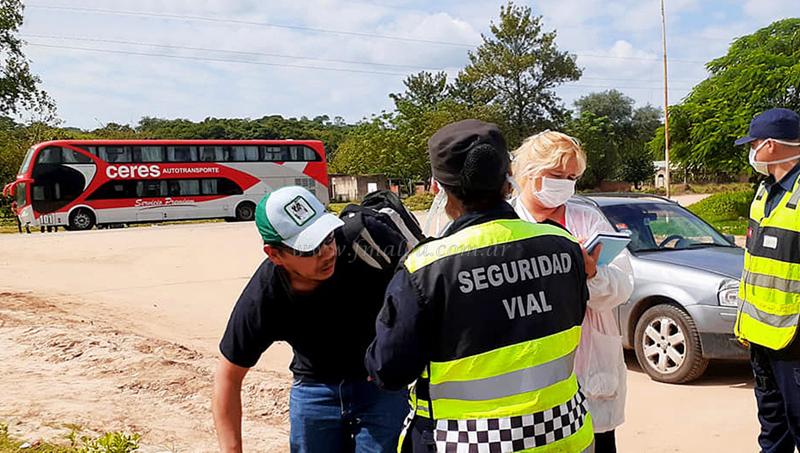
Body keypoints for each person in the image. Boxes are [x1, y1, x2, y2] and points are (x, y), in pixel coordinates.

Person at [366, 119, 595, 452]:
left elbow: (389, 370)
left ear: (436, 187)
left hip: (469, 442)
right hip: (566, 435)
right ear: (508, 181)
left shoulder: (425, 267)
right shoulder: (564, 246)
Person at [212, 186, 409, 453]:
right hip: (314, 390)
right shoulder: (266, 295)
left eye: (327, 239)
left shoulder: (363, 242)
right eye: (308, 249)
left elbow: (424, 296)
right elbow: (228, 377)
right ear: (274, 254)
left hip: (380, 385)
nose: (327, 253)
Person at [510, 131, 634, 453]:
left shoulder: (587, 219)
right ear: (529, 173)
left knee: (598, 442)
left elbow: (622, 286)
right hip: (531, 371)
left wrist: (591, 273)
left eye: (572, 177)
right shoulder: (508, 223)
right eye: (556, 175)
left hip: (591, 363)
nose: (565, 184)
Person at [734, 108, 800, 453]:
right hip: (763, 336)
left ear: (771, 145)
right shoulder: (765, 191)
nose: (752, 150)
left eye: (754, 143)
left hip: (794, 340)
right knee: (772, 430)